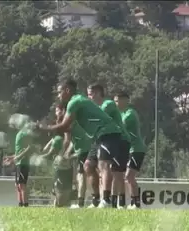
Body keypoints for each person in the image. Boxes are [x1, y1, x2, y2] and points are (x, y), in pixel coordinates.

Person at [38, 79, 130, 208]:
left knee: (104, 165)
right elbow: (68, 128)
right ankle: (96, 201)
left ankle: (107, 201)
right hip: (97, 136)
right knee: (88, 166)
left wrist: (44, 128)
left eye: (59, 92)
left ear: (67, 90)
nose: (58, 95)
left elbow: (64, 126)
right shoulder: (77, 102)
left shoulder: (75, 101)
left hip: (108, 132)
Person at [87, 83, 131, 209]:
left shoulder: (108, 104)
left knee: (115, 171)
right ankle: (100, 200)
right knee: (91, 166)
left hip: (120, 139)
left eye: (90, 94)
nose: (88, 97)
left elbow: (97, 117)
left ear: (96, 93)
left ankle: (111, 201)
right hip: (102, 139)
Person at [115, 91, 146, 209]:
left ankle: (136, 203)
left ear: (126, 101)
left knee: (129, 176)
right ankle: (129, 203)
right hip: (128, 150)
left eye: (118, 101)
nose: (116, 104)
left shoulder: (130, 114)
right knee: (125, 176)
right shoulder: (121, 114)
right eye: (115, 101)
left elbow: (120, 126)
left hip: (137, 149)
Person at [41, 117, 72, 207]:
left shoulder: (58, 139)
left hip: (61, 167)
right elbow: (45, 149)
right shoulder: (56, 139)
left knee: (60, 190)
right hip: (61, 166)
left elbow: (49, 154)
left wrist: (37, 158)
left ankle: (60, 206)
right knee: (59, 189)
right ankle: (59, 206)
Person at [3, 127, 33, 207]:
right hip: (18, 164)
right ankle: (20, 205)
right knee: (17, 185)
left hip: (23, 164)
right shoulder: (18, 135)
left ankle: (25, 206)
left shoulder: (25, 134)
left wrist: (16, 158)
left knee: (22, 185)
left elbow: (29, 148)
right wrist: (11, 157)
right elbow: (19, 152)